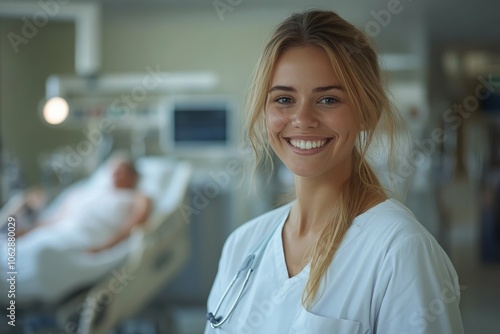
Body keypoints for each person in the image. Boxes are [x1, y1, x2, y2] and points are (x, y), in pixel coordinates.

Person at [205, 10, 464, 334]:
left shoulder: (399, 249)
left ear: (367, 113)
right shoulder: (243, 245)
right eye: (284, 99)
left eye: (328, 99)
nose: (302, 118)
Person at [1, 157, 151, 304]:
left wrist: (103, 248)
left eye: (122, 171)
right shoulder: (85, 193)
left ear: (133, 175)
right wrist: (26, 232)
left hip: (86, 236)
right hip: (59, 231)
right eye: (113, 170)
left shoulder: (137, 198)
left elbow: (132, 227)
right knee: (17, 249)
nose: (115, 175)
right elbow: (54, 220)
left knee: (42, 254)